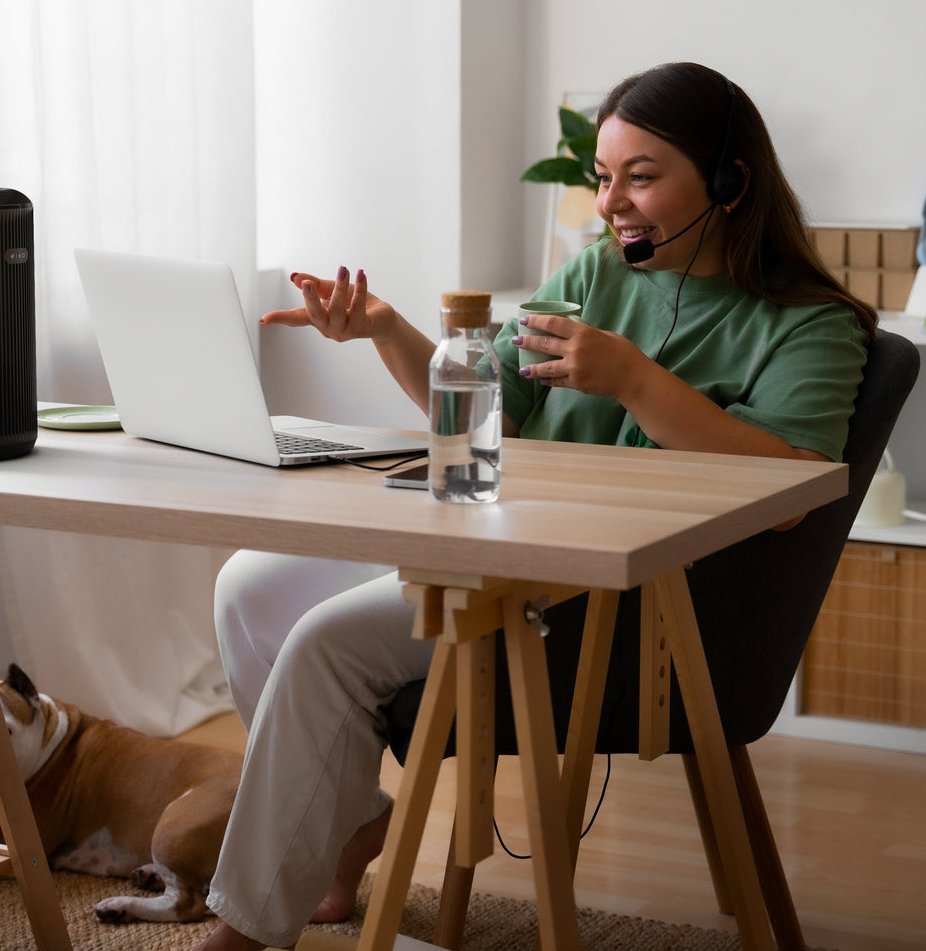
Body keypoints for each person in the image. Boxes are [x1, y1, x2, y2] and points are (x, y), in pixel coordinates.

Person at [192, 61, 878, 951]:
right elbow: (490, 406)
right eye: (604, 178)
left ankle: (244, 932)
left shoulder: (810, 324)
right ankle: (353, 822)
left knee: (326, 646)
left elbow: (791, 491)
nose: (611, 204)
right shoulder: (599, 276)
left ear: (728, 181)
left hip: (626, 609)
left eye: (641, 176)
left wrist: (634, 381)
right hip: (506, 550)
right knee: (251, 585)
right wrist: (388, 331)